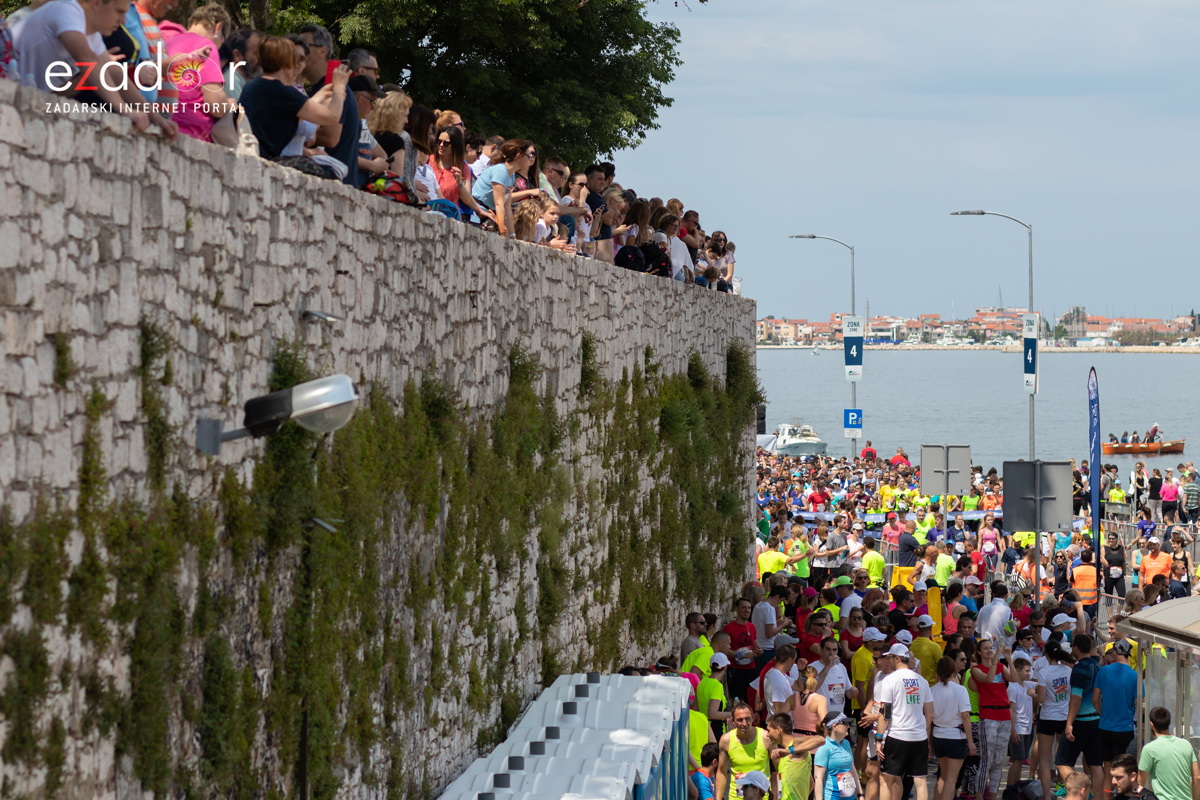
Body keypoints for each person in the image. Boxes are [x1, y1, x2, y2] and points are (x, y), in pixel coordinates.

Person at [240, 36, 348, 164]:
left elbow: (294, 109)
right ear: (285, 61)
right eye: (294, 60)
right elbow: (331, 117)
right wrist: (340, 89)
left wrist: (322, 94)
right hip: (265, 163)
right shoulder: (282, 92)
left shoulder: (254, 86)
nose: (297, 67)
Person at [298, 24, 359, 186]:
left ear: (322, 51)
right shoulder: (323, 88)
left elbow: (331, 138)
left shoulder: (335, 89)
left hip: (335, 186)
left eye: (304, 46)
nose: (298, 53)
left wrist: (292, 133)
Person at [875, 643, 934, 800]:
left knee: (886, 778)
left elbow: (885, 713)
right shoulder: (922, 681)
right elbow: (930, 714)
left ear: (897, 658)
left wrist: (879, 738)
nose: (888, 661)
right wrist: (923, 731)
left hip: (897, 736)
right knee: (920, 780)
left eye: (890, 658)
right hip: (919, 737)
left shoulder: (890, 680)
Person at [1058, 634, 1103, 800]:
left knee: (1062, 762)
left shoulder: (1079, 669)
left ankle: (1079, 793)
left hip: (1081, 721)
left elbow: (1076, 698)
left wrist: (1069, 723)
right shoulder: (1098, 666)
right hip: (1097, 720)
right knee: (1096, 764)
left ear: (1075, 648)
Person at [1094, 639, 1138, 796]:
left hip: (1105, 726)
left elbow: (1095, 699)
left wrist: (1102, 713)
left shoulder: (1104, 671)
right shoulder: (1134, 675)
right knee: (1123, 771)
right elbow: (1139, 702)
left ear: (1115, 653)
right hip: (1124, 728)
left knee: (1108, 768)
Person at [931, 655, 975, 800]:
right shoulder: (960, 690)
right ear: (952, 671)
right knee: (951, 779)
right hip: (955, 737)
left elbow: (929, 717)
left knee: (942, 776)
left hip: (938, 735)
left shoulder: (932, 690)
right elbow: (965, 716)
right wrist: (970, 742)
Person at [471, 139, 534, 236]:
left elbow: (507, 206)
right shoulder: (501, 170)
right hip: (477, 212)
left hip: (489, 213)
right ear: (519, 156)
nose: (531, 159)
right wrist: (503, 233)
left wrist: (512, 235)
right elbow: (499, 204)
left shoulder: (511, 175)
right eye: (529, 156)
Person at [1036, 641, 1074, 800]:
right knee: (1064, 758)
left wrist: (1033, 693)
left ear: (1046, 655)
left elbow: (1042, 699)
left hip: (1047, 717)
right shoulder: (1068, 670)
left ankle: (1046, 796)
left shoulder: (1044, 672)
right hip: (1064, 717)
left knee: (1044, 761)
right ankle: (1071, 792)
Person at [1138, 707, 1200, 800]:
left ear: (1151, 724)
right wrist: (1195, 798)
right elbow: (1197, 777)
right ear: (1169, 723)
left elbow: (1140, 783)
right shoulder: (1186, 744)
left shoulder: (1150, 749)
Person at [715, 702, 773, 800]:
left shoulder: (766, 737)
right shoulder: (726, 740)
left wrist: (778, 796)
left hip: (762, 797)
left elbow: (779, 770)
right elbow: (721, 772)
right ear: (733, 721)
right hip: (737, 797)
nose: (744, 723)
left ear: (753, 718)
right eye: (740, 720)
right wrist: (718, 798)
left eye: (747, 718)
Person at [766, 712, 825, 800]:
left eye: (769, 730)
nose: (767, 734)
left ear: (778, 729)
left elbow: (821, 739)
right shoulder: (781, 755)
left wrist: (790, 751)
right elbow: (811, 784)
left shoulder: (795, 744)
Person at [813, 712, 863, 800]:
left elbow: (852, 769)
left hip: (850, 797)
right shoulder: (824, 748)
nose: (848, 726)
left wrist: (860, 794)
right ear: (834, 726)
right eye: (845, 723)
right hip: (832, 797)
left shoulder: (846, 744)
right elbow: (818, 778)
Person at [1005, 657, 1037, 789]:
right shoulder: (1013, 687)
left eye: (1030, 671)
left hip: (1028, 727)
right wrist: (1013, 730)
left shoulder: (1029, 685)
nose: (1030, 673)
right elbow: (1011, 710)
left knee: (1021, 759)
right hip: (1018, 728)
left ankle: (1016, 785)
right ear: (1017, 670)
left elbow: (1042, 688)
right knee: (1017, 759)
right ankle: (1010, 787)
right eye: (1027, 671)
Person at [724, 598, 762, 703]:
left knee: (752, 698)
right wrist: (739, 655)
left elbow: (755, 647)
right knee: (736, 700)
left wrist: (758, 652)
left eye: (749, 608)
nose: (747, 610)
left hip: (751, 669)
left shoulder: (752, 627)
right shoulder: (729, 628)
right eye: (744, 607)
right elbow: (725, 650)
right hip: (735, 670)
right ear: (737, 609)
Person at [700, 653, 733, 739]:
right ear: (725, 667)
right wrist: (733, 714)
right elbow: (712, 714)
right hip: (715, 730)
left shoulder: (703, 681)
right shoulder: (717, 686)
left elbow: (696, 709)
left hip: (702, 727)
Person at [910, 615, 942, 685]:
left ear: (918, 627)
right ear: (931, 628)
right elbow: (942, 668)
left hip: (914, 686)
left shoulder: (910, 645)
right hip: (930, 686)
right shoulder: (934, 646)